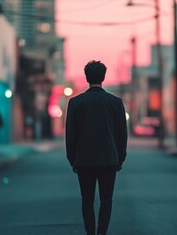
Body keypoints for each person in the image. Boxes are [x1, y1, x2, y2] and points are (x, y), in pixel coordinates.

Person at [65, 60, 128, 235]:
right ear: (103, 77)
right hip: (109, 159)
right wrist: (120, 158)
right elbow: (121, 135)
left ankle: (90, 233)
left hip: (83, 160)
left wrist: (73, 160)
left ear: (86, 78)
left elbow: (71, 135)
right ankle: (102, 232)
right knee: (107, 200)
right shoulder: (115, 102)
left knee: (87, 200)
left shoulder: (76, 103)